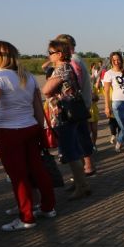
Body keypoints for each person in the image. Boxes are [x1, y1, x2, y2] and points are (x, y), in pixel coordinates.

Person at [0, 40, 56, 231]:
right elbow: (38, 108)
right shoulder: (27, 76)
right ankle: (48, 207)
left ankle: (26, 217)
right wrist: (39, 129)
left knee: (18, 175)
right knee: (38, 170)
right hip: (30, 127)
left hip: (8, 130)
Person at [43, 39, 92, 199]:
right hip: (69, 113)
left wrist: (49, 80)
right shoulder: (66, 67)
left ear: (59, 54)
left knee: (70, 152)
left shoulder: (62, 68)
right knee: (74, 149)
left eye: (50, 53)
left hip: (65, 114)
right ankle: (79, 183)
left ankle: (81, 186)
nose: (49, 56)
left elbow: (46, 90)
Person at [53, 34, 96, 176]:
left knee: (78, 137)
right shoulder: (77, 58)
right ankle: (86, 167)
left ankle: (85, 169)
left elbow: (74, 84)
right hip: (81, 103)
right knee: (82, 134)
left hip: (75, 105)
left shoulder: (72, 61)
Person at [103, 52, 124, 158]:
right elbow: (106, 91)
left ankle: (119, 140)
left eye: (118, 59)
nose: (116, 62)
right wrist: (107, 106)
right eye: (114, 60)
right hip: (118, 103)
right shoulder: (109, 73)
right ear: (111, 61)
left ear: (121, 60)